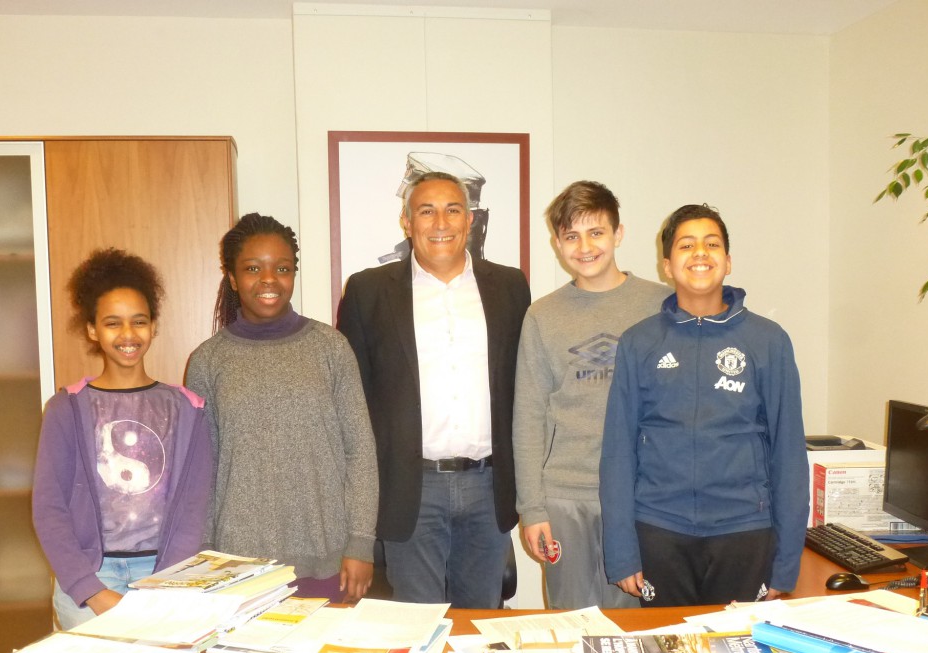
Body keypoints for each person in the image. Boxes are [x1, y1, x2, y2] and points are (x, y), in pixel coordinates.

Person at [338, 171, 531, 607]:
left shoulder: (510, 287)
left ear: (469, 220)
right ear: (407, 222)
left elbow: (524, 388)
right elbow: (355, 403)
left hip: (488, 487)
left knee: (479, 625)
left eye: (452, 209)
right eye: (426, 211)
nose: (440, 222)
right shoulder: (368, 291)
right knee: (416, 625)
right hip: (411, 490)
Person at [600, 204, 808, 607]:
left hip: (745, 532)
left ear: (727, 262)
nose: (700, 253)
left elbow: (788, 453)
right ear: (667, 265)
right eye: (686, 245)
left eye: (712, 244)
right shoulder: (639, 342)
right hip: (660, 530)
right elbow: (618, 453)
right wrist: (622, 552)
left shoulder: (768, 340)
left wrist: (786, 562)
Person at [185, 213, 377, 602]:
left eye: (282, 268)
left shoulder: (330, 347)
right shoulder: (208, 360)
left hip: (327, 557)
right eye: (253, 268)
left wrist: (360, 543)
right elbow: (201, 470)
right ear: (234, 278)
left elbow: (360, 451)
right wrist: (202, 559)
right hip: (237, 563)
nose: (269, 279)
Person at [33, 248, 212, 630]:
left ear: (153, 326)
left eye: (139, 322)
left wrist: (165, 585)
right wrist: (91, 590)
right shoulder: (67, 408)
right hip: (89, 580)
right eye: (113, 323)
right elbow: (49, 510)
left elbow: (195, 507)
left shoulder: (186, 409)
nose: (128, 335)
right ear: (92, 330)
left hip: (165, 577)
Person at [513, 181, 670, 609]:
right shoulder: (542, 315)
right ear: (557, 243)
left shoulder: (662, 306)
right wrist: (533, 509)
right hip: (565, 497)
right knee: (570, 624)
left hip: (643, 497)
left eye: (596, 232)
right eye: (571, 236)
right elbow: (529, 417)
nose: (584, 246)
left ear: (618, 234)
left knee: (638, 625)